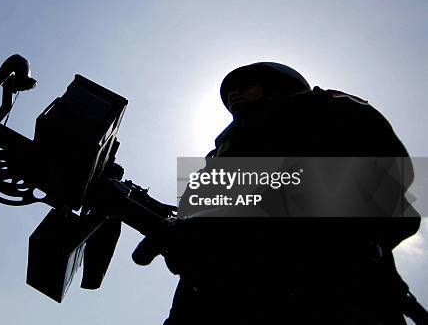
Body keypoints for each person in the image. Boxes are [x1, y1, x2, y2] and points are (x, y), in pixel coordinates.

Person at [133, 62, 422, 324]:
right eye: (230, 90)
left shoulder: (326, 109)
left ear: (278, 85)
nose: (234, 93)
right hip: (222, 292)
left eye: (246, 85)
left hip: (332, 286)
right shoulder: (221, 154)